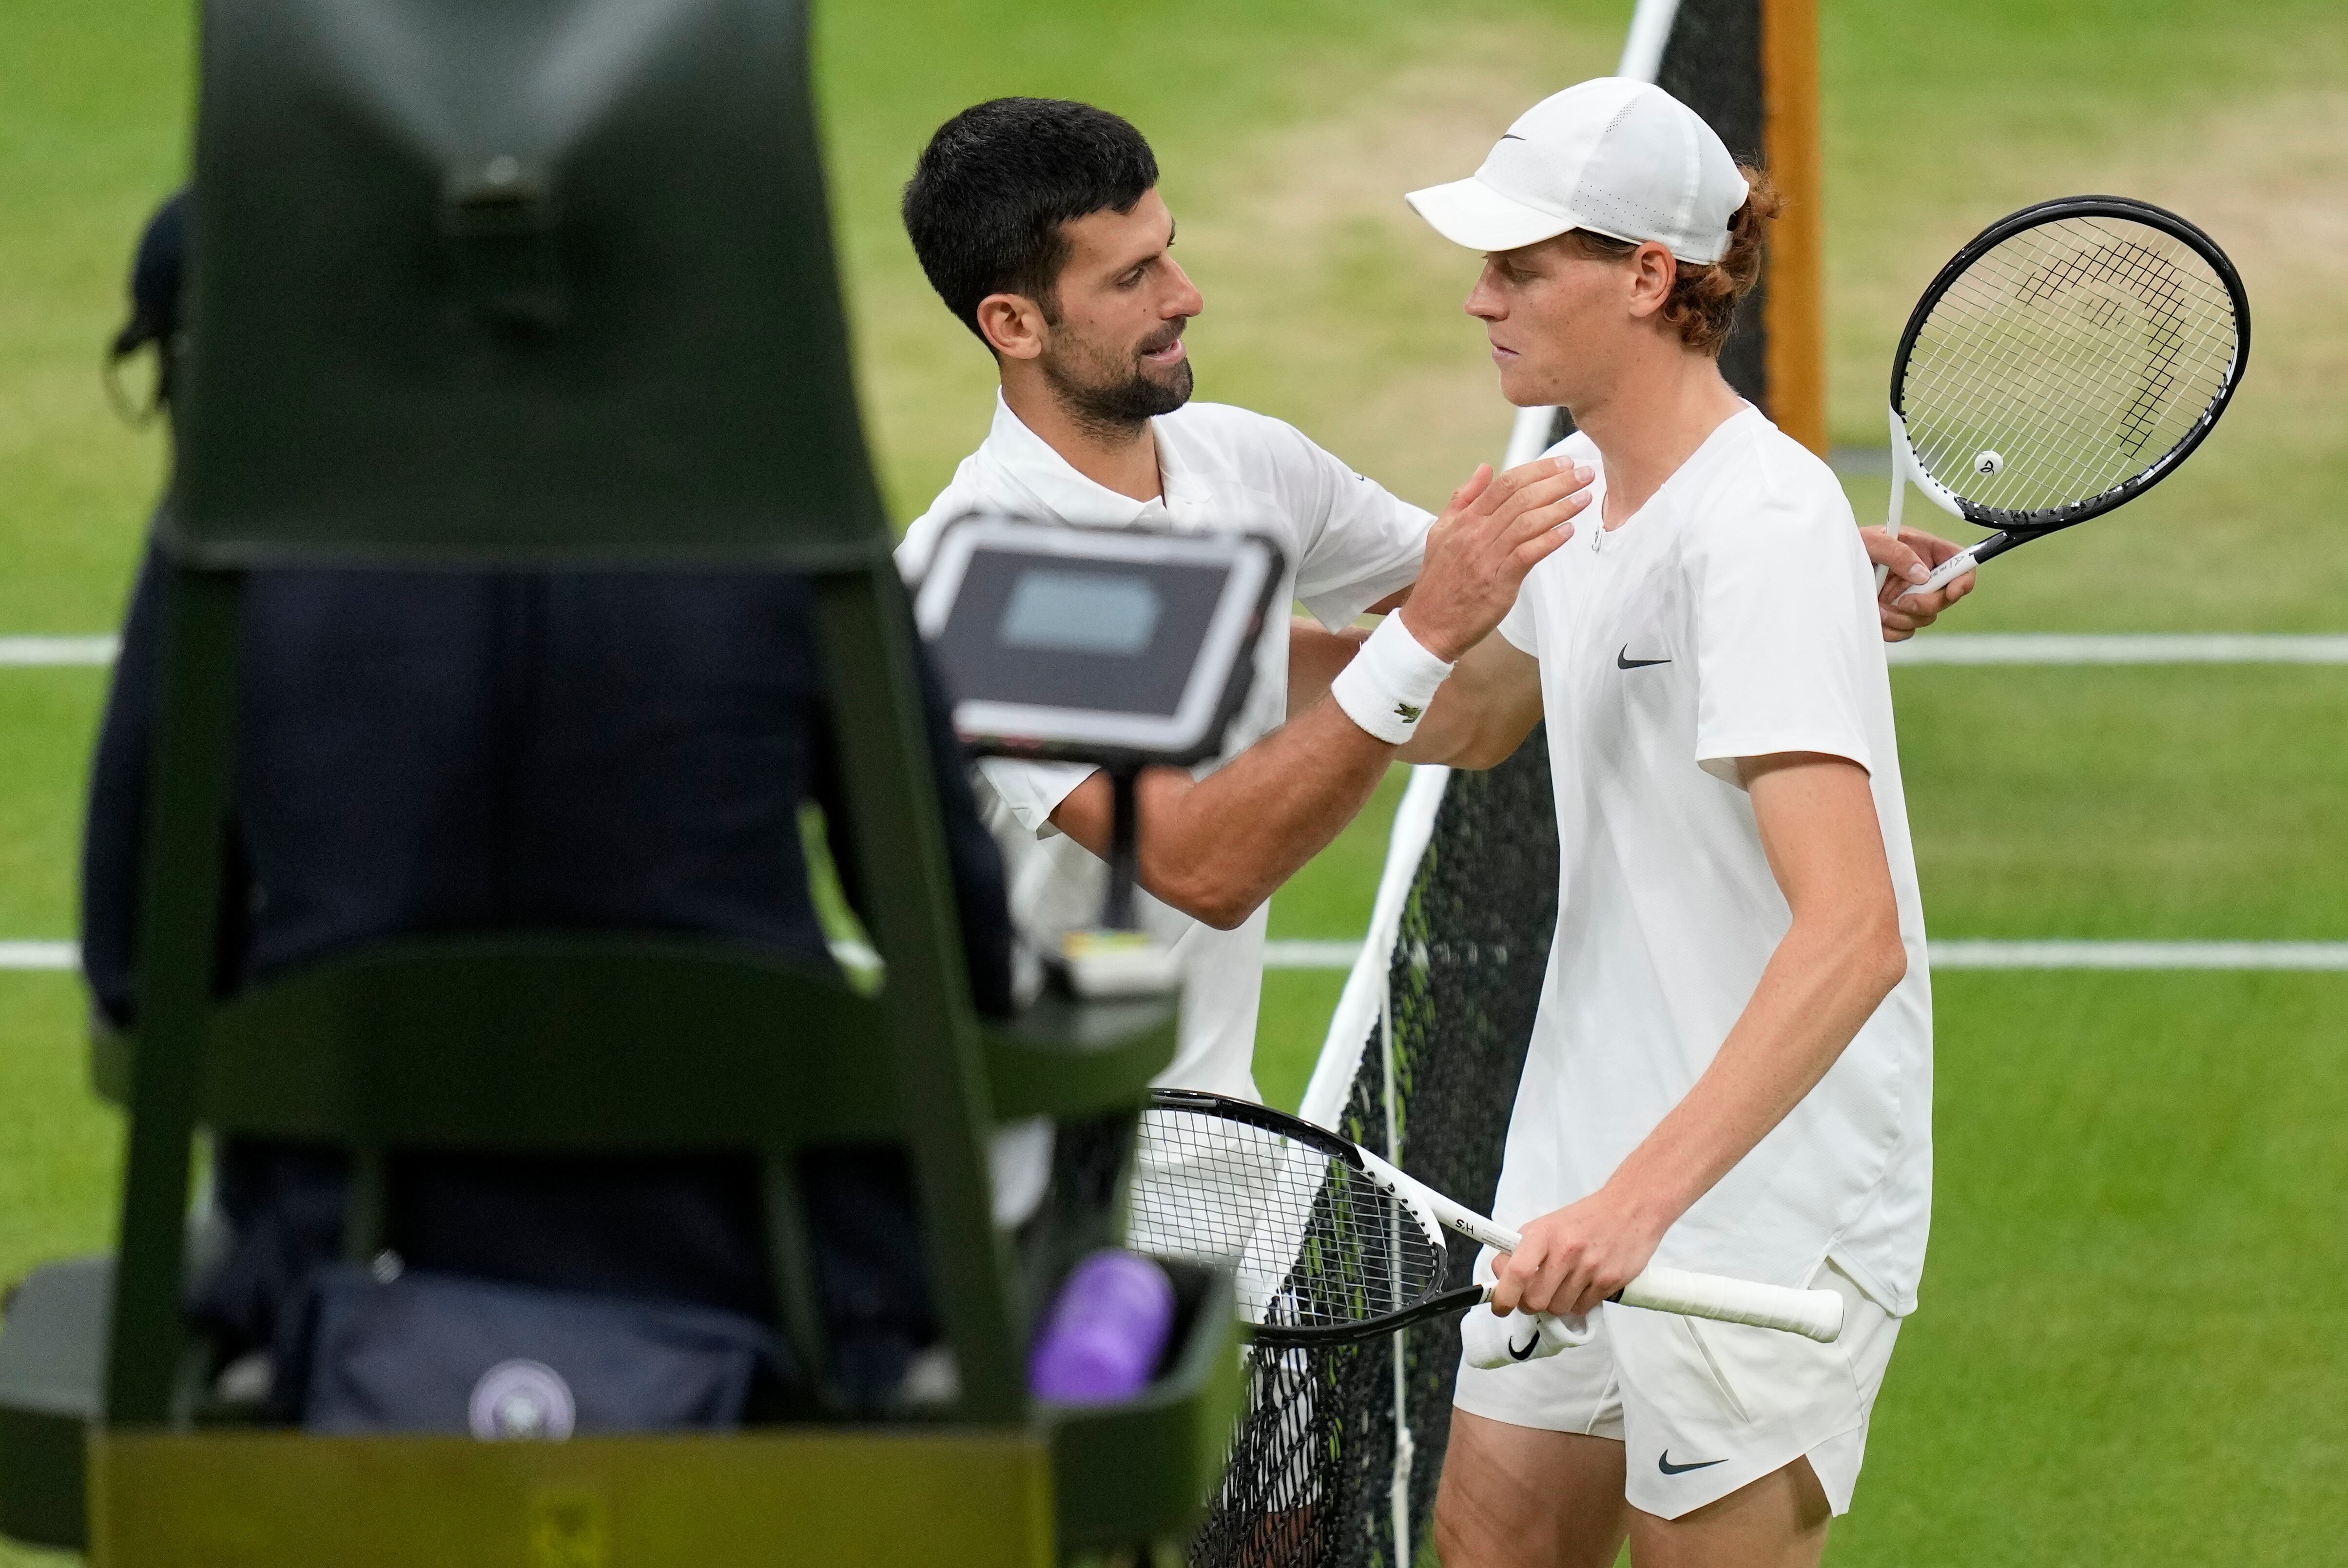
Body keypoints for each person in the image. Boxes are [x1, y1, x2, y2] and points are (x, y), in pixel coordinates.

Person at [81, 193, 1020, 1417]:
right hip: (771, 1288)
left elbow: (142, 971)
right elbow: (957, 948)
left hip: (332, 1296)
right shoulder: (777, 498)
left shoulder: (227, 537)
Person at [895, 98, 1973, 1108]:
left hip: (1212, 1136)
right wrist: (1415, 638)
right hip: (1024, 1175)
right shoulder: (973, 585)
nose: (1185, 294)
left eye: (1170, 248)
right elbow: (1200, 865)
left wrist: (1768, 572)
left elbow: (1504, 640)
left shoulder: (1246, 466)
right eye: (1132, 278)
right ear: (1015, 324)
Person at [1388, 80, 1939, 1565]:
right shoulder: (1566, 489)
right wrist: (1212, 643)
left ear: (1646, 276)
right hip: (1580, 1160)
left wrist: (1642, 1205)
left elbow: (1855, 937)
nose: (1476, 298)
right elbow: (1467, 712)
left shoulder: (1761, 530)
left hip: (1762, 1200)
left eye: (1519, 267)